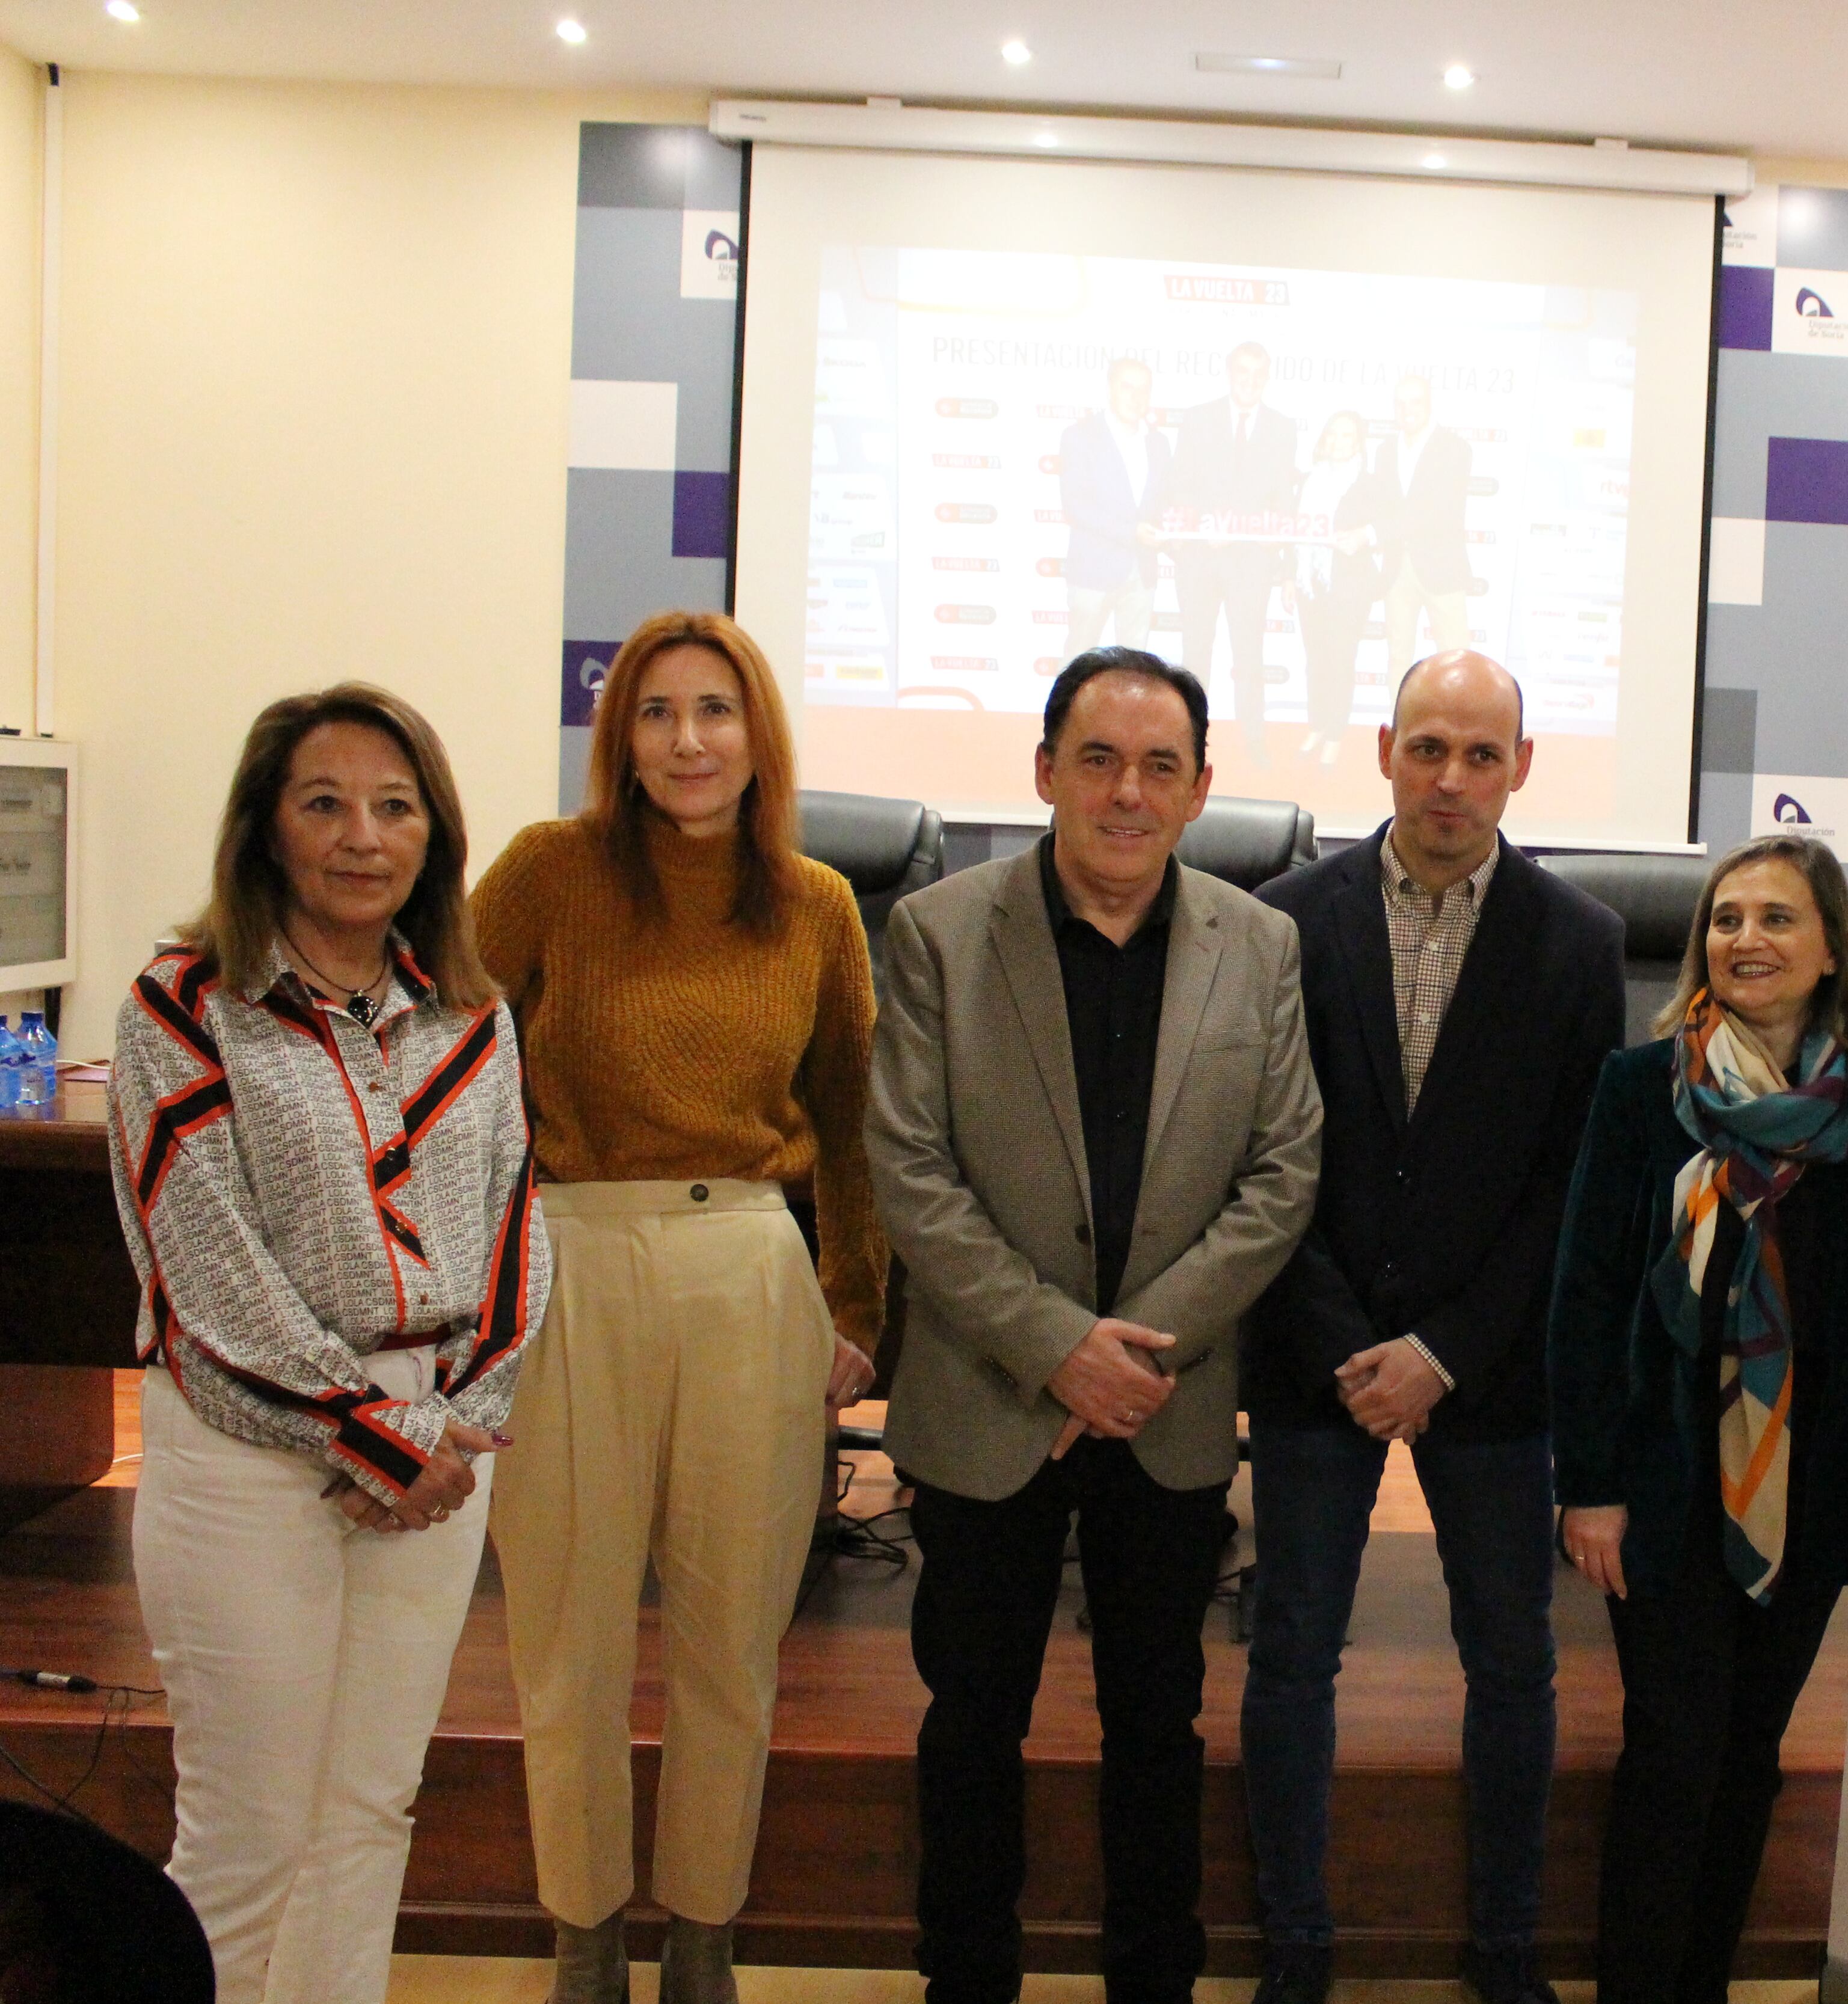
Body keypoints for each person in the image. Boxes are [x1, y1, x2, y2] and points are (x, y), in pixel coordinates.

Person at [865, 645, 1321, 2004]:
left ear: (1198, 791)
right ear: (1046, 770)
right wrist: (1053, 1342)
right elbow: (910, 1168)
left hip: (1165, 1415)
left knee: (1158, 1727)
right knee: (971, 1725)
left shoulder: (1264, 943)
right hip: (988, 1401)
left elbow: (1281, 1172)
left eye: (1159, 767)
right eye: (1100, 760)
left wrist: (1133, 1350)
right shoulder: (941, 933)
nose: (1128, 792)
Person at [108, 683, 547, 2004]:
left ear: (436, 834)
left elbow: (518, 1227)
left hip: (436, 1457)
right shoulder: (183, 1003)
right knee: (248, 1834)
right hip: (253, 1457)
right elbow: (204, 1277)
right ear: (266, 828)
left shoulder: (470, 1010)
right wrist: (373, 1431)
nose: (363, 834)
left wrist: (459, 1417)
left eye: (395, 805)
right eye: (325, 802)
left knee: (369, 1816)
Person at [472, 610, 886, 2004]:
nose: (687, 740)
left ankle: (702, 1940)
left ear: (758, 733)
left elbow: (851, 1120)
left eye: (715, 710)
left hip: (748, 1268)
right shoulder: (547, 873)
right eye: (657, 713)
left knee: (730, 1647)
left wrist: (857, 1305)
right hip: (571, 1264)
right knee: (565, 1644)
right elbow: (446, 1062)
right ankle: (584, 1942)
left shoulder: (818, 904)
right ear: (621, 739)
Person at [1241, 652, 1626, 2004]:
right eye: (1426, 747)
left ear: (1522, 767)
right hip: (1316, 1353)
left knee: (1512, 1661)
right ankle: (1296, 1948)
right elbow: (1266, 1158)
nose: (1449, 777)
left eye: (1479, 753)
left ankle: (1506, 1951)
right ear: (1383, 751)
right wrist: (1356, 1342)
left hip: (1493, 1364)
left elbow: (1567, 1179)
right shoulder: (1281, 920)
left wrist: (1446, 1349)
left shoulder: (1578, 941)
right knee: (1290, 1655)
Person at [1547, 833, 1848, 2004]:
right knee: (1673, 1754)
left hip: (1814, 1478)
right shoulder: (1643, 1087)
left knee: (1749, 1759)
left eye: (1776, 918)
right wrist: (1589, 1481)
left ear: (1830, 948)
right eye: (1725, 918)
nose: (1743, 939)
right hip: (1664, 1477)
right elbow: (1585, 1289)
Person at [1170, 342, 1301, 765]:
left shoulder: (1283, 427)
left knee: (1250, 657)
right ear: (1229, 373)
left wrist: (1278, 551)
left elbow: (1284, 497)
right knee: (1195, 655)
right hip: (1200, 559)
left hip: (1251, 563)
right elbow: (1181, 482)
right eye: (1243, 371)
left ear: (1267, 378)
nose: (1250, 381)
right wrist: (1208, 524)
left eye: (1258, 373)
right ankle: (1187, 743)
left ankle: (1254, 744)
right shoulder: (1198, 418)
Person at [1060, 355, 1174, 650]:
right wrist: (1132, 532)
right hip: (1092, 571)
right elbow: (1076, 505)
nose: (1136, 398)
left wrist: (1171, 534)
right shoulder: (1079, 437)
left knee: (1134, 673)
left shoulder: (1158, 443)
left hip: (1142, 571)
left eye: (1144, 390)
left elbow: (1163, 503)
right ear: (1110, 388)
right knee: (1079, 665)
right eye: (1128, 388)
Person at [1289, 410, 1381, 768]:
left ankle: (1335, 735)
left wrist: (1364, 536)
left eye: (1347, 436)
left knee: (1341, 660)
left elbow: (1386, 524)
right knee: (1315, 660)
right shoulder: (1307, 480)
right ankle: (1317, 725)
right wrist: (1288, 578)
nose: (1339, 442)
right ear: (1324, 440)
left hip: (1350, 586)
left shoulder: (1370, 482)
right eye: (1333, 435)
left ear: (1358, 442)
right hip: (1309, 584)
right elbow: (1294, 532)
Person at [1374, 375, 1473, 672]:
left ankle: (1459, 721)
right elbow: (1381, 506)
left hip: (1442, 569)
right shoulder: (1385, 451)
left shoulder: (1457, 449)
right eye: (1400, 403)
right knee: (1398, 660)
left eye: (1415, 401)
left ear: (1430, 404)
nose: (1407, 409)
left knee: (1456, 662)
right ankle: (1400, 720)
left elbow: (1435, 512)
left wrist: (1370, 534)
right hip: (1396, 570)